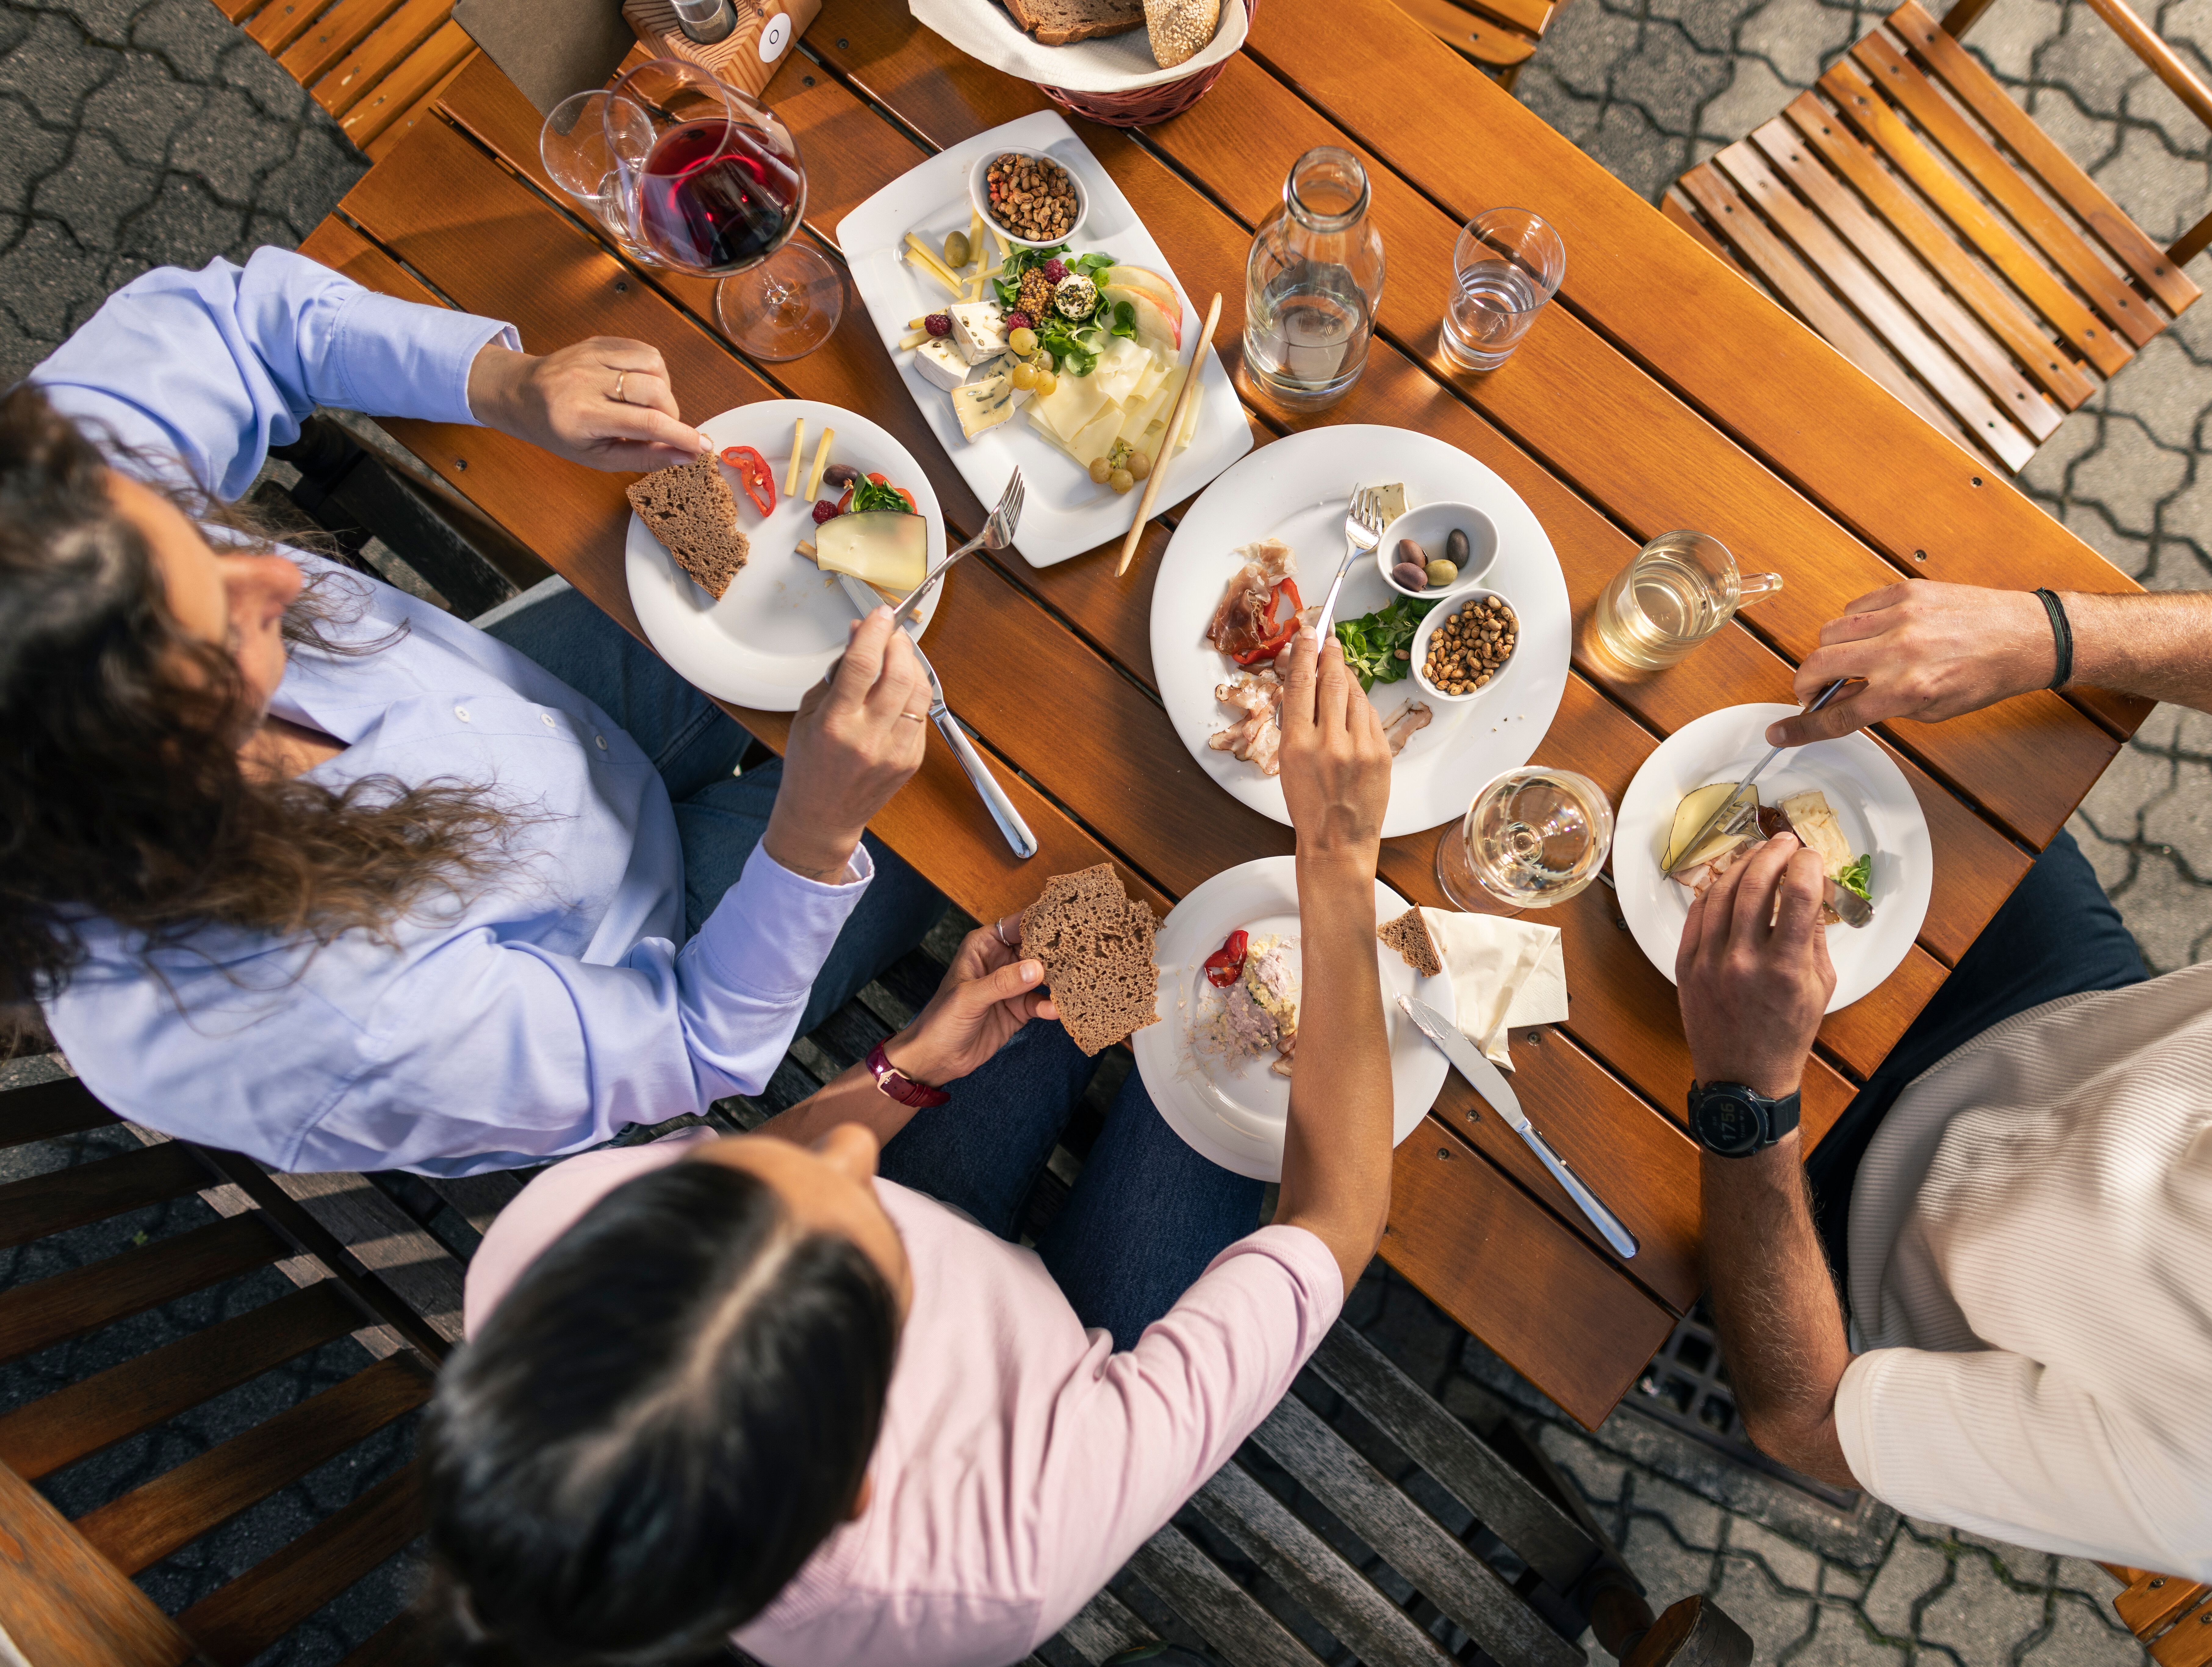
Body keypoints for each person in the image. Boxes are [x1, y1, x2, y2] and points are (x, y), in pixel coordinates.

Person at [418, 618, 1395, 1667]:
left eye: (732, 1179)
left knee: (1105, 907)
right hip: (1081, 1355)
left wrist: (909, 1069)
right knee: (1241, 1065)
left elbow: (815, 1158)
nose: (850, 1151)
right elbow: (1332, 1220)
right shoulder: (1004, 1564)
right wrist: (1335, 859)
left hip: (955, 1219)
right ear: (859, 1483)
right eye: (863, 1235)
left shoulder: (552, 1270)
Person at [4, 249, 945, 1174]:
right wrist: (817, 834)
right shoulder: (335, 1032)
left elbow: (243, 322)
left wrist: (503, 382)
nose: (279, 573)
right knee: (950, 781)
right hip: (667, 953)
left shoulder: (50, 531)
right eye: (218, 626)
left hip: (543, 713)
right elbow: (697, 1044)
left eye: (204, 543)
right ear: (163, 769)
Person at [1678, 580, 2212, 1584]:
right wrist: (2055, 634)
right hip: (2057, 1008)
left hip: (1841, 1223)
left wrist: (1750, 1096)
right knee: (1778, 686)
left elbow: (1803, 1422)